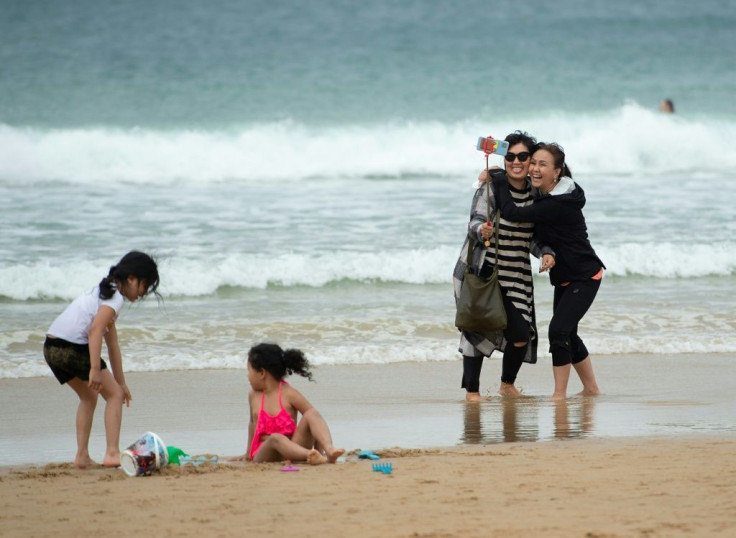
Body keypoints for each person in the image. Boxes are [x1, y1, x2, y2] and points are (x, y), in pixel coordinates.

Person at [491, 142, 604, 400]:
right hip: (565, 277)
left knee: (558, 331)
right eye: (534, 163)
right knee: (569, 333)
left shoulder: (557, 202)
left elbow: (512, 212)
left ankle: (559, 394)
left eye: (543, 164)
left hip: (585, 275)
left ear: (557, 172)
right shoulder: (546, 192)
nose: (534, 168)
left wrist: (498, 180)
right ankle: (591, 389)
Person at [453, 131, 556, 401]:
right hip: (484, 273)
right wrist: (481, 231)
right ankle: (472, 392)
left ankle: (506, 385)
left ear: (532, 160)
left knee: (522, 334)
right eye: (510, 156)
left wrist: (545, 252)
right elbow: (474, 222)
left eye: (523, 156)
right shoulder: (490, 188)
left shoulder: (536, 194)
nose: (516, 162)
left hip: (517, 277)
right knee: (477, 327)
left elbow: (533, 237)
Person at [43, 251, 160, 468]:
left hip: (51, 348)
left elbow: (112, 344)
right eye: (145, 286)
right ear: (132, 279)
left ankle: (82, 457)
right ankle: (112, 453)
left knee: (89, 397)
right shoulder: (114, 298)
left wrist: (121, 381)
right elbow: (95, 331)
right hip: (71, 348)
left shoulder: (106, 292)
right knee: (114, 395)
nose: (144, 293)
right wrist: (95, 370)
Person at [233, 343, 344, 465]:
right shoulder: (253, 395)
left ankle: (328, 451)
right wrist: (248, 453)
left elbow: (314, 422)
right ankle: (308, 454)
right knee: (275, 438)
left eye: (249, 370)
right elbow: (252, 424)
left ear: (262, 373)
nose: (247, 376)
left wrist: (319, 450)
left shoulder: (289, 393)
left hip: (294, 450)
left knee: (312, 413)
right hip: (264, 453)